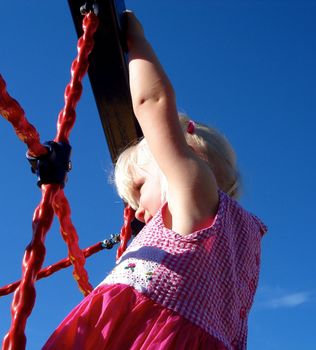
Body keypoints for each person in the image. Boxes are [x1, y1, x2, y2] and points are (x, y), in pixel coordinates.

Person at [43, 11, 266, 350]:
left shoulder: (194, 195)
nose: (137, 213)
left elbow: (153, 103)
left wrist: (136, 39)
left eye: (139, 190)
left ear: (175, 160)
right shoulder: (235, 248)